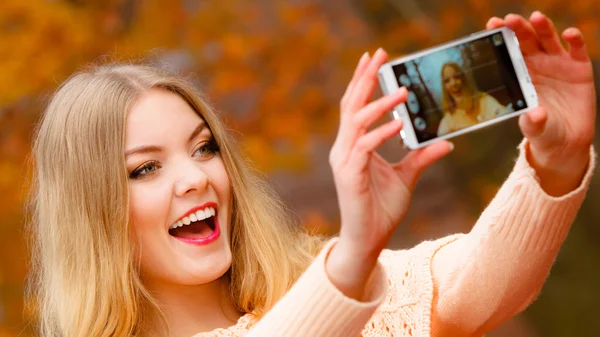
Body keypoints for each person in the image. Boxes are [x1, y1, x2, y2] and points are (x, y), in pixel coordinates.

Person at [26, 11, 595, 337]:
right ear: (91, 212)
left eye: (203, 149)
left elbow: (472, 288)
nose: (196, 178)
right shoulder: (339, 282)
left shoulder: (314, 280)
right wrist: (352, 257)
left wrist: (556, 161)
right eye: (145, 168)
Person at [437, 61, 508, 136]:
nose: (453, 83)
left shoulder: (483, 100)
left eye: (456, 77)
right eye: (447, 81)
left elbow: (505, 115)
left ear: (463, 79)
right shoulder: (448, 119)